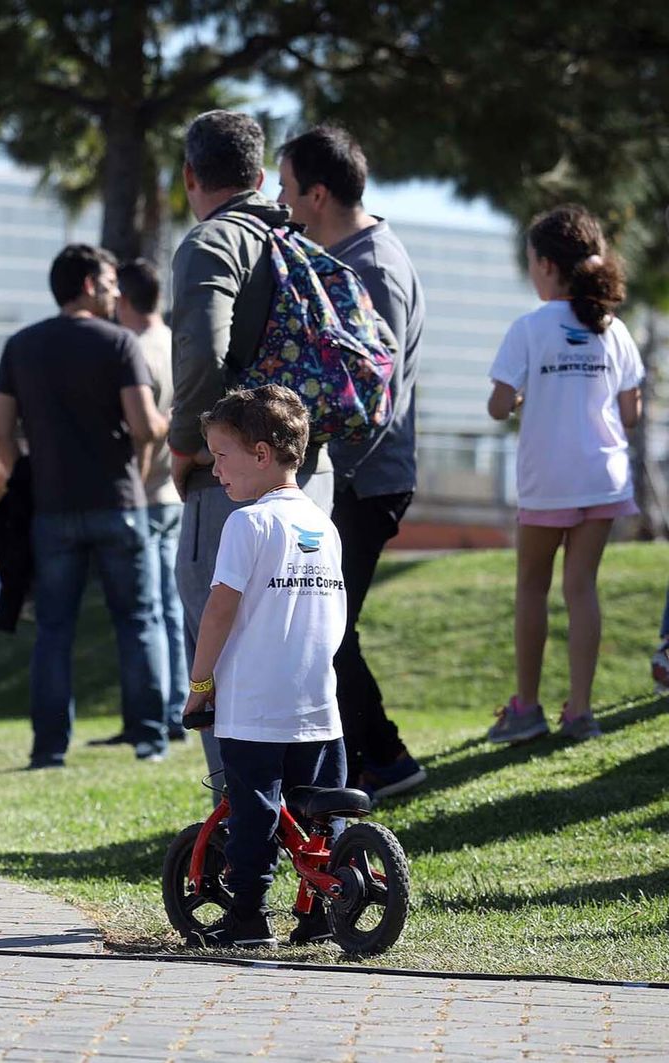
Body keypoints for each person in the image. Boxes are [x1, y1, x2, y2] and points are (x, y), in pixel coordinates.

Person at [169, 110, 336, 783]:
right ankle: (300, 805)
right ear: (261, 176)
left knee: (222, 643)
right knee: (297, 642)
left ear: (191, 175)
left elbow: (201, 350)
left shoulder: (214, 241)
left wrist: (190, 444)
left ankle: (241, 808)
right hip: (308, 474)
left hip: (234, 479)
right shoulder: (297, 238)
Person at [276, 124, 428, 800]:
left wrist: (328, 470)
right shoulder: (348, 253)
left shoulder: (372, 266)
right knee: (327, 625)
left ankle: (383, 761)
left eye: (286, 189)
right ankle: (379, 758)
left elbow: (376, 389)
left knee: (325, 628)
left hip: (365, 479)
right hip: (352, 476)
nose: (281, 204)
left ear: (317, 194)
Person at [0, 244, 169, 767]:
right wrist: (157, 439)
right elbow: (144, 426)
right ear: (88, 285)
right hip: (119, 502)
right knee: (138, 621)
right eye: (110, 283)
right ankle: (150, 737)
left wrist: (29, 476)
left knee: (53, 631)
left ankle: (49, 749)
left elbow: (0, 433)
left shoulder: (21, 345)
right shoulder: (119, 342)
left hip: (51, 510)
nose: (115, 292)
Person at [182, 384, 346, 949]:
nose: (214, 469)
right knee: (319, 819)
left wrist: (200, 685)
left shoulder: (247, 524)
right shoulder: (323, 525)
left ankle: (248, 918)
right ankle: (324, 912)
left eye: (220, 455)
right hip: (319, 705)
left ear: (260, 453)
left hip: (254, 707)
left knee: (254, 817)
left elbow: (217, 611)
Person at [486, 205, 641, 745]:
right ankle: (580, 712)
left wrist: (524, 397)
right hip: (603, 477)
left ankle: (527, 709)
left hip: (549, 479)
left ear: (546, 265)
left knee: (532, 586)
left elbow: (498, 406)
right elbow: (631, 414)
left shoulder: (528, 328)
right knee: (582, 588)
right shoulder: (614, 329)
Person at [105, 257, 186, 744]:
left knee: (146, 611)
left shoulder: (131, 348)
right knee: (171, 609)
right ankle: (177, 709)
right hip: (176, 490)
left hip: (145, 492)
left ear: (124, 299)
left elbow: (141, 430)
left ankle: (153, 716)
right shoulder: (176, 341)